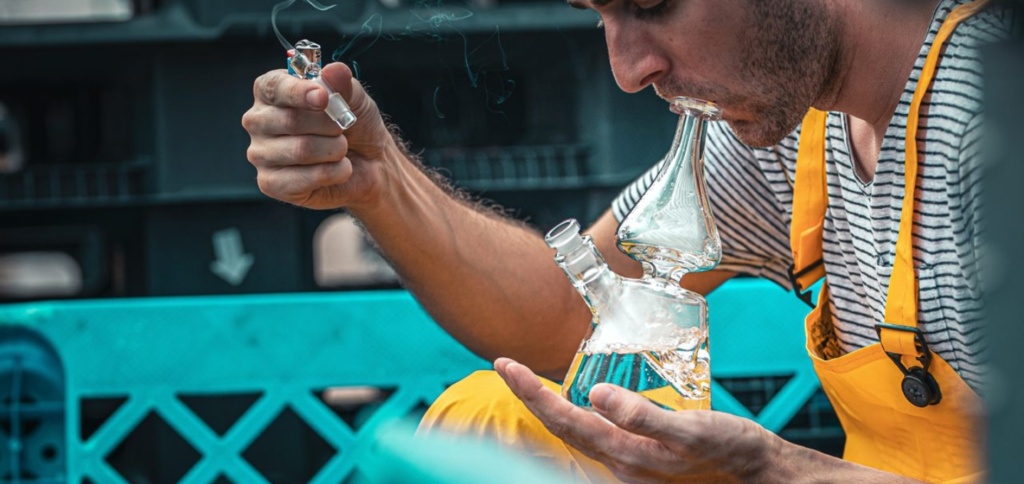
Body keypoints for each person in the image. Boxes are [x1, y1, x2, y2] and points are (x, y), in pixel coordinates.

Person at [242, 0, 1015, 481]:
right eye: (601, 13)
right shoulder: (793, 128)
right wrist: (378, 182)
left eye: (653, 3)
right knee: (494, 419)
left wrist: (776, 469)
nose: (628, 70)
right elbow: (564, 318)